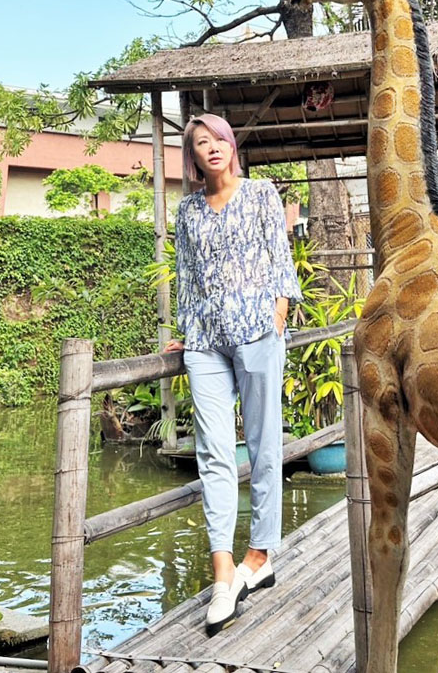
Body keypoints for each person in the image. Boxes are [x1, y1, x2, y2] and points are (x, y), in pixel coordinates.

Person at [164, 112, 301, 637]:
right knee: (214, 452)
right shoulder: (188, 210)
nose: (211, 148)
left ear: (229, 145)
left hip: (258, 333)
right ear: (194, 157)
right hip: (204, 343)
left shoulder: (262, 193)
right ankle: (224, 575)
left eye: (217, 139)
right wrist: (184, 329)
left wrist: (280, 309)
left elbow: (279, 258)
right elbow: (187, 275)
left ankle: (260, 555)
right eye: (200, 143)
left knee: (264, 446)